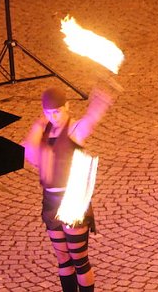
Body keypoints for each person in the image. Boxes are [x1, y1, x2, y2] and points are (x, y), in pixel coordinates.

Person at [23, 85, 115, 292]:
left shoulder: (74, 130)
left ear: (67, 107)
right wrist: (38, 125)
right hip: (50, 201)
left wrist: (101, 102)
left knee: (79, 260)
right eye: (48, 112)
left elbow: (90, 121)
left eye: (57, 111)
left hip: (72, 201)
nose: (53, 116)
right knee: (63, 259)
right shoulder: (44, 131)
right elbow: (30, 155)